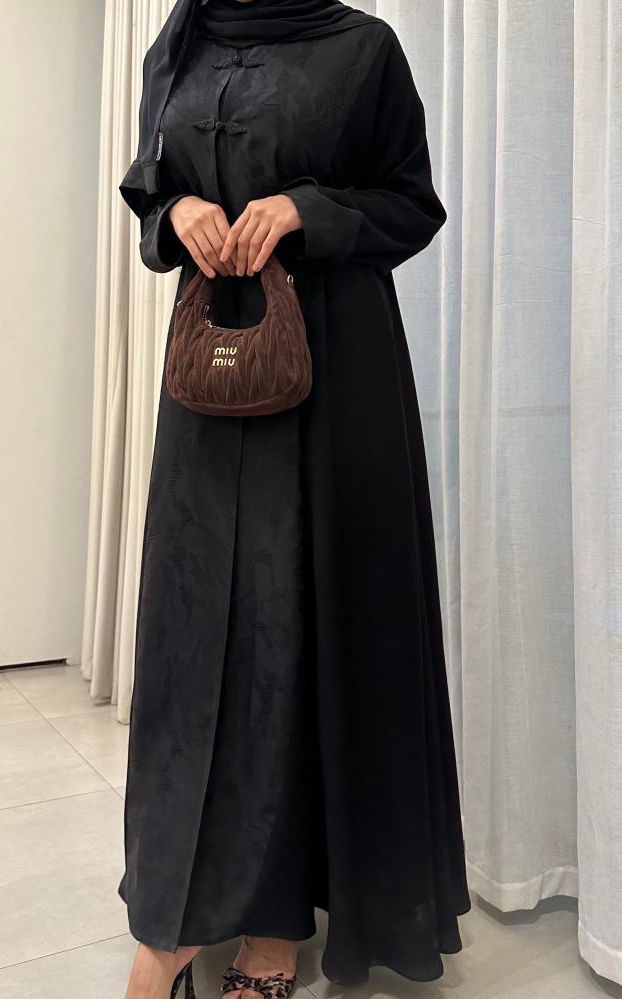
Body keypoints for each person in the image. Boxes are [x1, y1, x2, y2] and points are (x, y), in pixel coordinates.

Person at [118, 0, 471, 996]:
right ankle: (180, 912)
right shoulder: (180, 41)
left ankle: (274, 930)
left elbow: (412, 204)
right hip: (211, 374)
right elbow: (151, 190)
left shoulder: (363, 49)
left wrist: (305, 210)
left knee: (304, 627)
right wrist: (175, 215)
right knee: (197, 640)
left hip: (334, 370)